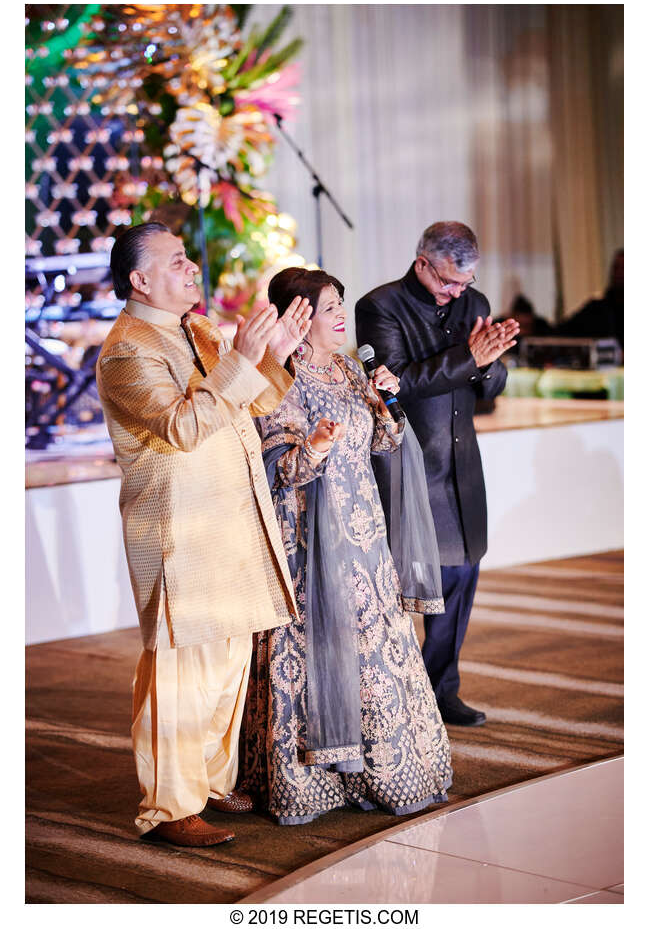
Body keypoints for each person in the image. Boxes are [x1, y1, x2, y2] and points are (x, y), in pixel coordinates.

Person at [96, 222, 312, 847]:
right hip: (177, 527)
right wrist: (244, 359)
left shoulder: (197, 329)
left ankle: (210, 781)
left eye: (188, 259)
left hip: (229, 515)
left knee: (227, 658)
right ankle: (168, 807)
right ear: (139, 280)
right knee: (180, 669)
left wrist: (275, 354)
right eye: (176, 262)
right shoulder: (127, 351)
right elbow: (185, 427)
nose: (192, 269)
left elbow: (256, 403)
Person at [241, 267, 452, 825]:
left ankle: (383, 767)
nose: (341, 316)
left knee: (376, 645)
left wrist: (389, 400)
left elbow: (385, 441)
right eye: (329, 307)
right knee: (320, 645)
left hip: (365, 533)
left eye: (340, 304)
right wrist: (312, 446)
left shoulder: (350, 368)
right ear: (299, 318)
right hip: (309, 539)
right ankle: (312, 782)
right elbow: (277, 470)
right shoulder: (278, 380)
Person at [355, 222, 519, 727]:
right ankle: (396, 696)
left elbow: (492, 387)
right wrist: (470, 357)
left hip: (460, 462)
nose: (458, 292)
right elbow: (394, 386)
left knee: (463, 575)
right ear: (422, 263)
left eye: (466, 283)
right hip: (408, 459)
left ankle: (441, 689)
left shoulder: (474, 303)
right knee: (406, 583)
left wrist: (488, 366)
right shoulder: (379, 306)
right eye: (449, 282)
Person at [556, 248, 624, 348]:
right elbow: (563, 332)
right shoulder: (597, 309)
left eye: (624, 268)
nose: (619, 273)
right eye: (616, 268)